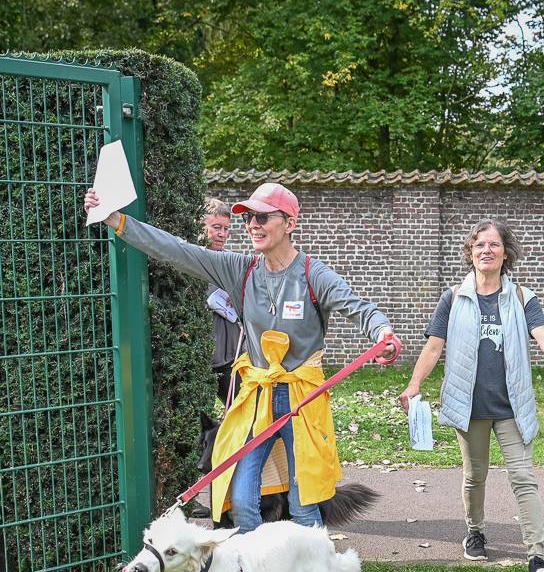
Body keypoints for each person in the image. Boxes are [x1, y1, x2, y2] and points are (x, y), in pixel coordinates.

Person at [84, 182, 397, 533]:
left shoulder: (312, 274)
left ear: (289, 224)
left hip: (302, 400)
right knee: (244, 500)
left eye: (262, 217)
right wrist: (117, 220)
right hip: (257, 397)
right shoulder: (241, 270)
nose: (252, 225)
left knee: (303, 502)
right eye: (248, 219)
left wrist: (381, 332)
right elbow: (177, 250)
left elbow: (358, 307)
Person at [399, 219, 544, 572]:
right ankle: (476, 531)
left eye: (494, 245)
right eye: (480, 244)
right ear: (470, 252)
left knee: (523, 477)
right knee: (474, 476)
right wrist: (414, 384)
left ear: (505, 253)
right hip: (469, 406)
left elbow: (542, 334)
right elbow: (435, 345)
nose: (487, 250)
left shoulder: (521, 297)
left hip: (512, 406)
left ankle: (536, 555)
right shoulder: (453, 297)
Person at [199, 198, 242, 404]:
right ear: (201, 225)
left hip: (231, 359)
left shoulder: (233, 263)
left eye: (226, 229)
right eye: (216, 227)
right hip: (199, 359)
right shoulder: (189, 261)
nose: (222, 234)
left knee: (242, 417)